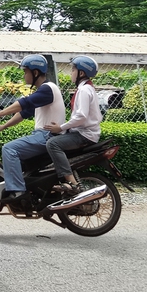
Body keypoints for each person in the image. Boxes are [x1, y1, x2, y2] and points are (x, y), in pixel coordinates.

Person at [0, 55, 66, 203]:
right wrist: (2, 127)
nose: (24, 75)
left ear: (35, 73)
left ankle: (17, 191)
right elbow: (23, 113)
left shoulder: (48, 89)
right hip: (43, 134)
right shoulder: (43, 91)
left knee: (9, 149)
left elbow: (24, 103)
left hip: (47, 135)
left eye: (26, 72)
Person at [45, 56, 103, 194]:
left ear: (81, 73)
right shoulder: (87, 88)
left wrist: (61, 127)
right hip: (83, 132)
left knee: (52, 144)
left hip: (84, 134)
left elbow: (81, 116)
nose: (71, 73)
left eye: (73, 70)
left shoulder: (84, 91)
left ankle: (72, 183)